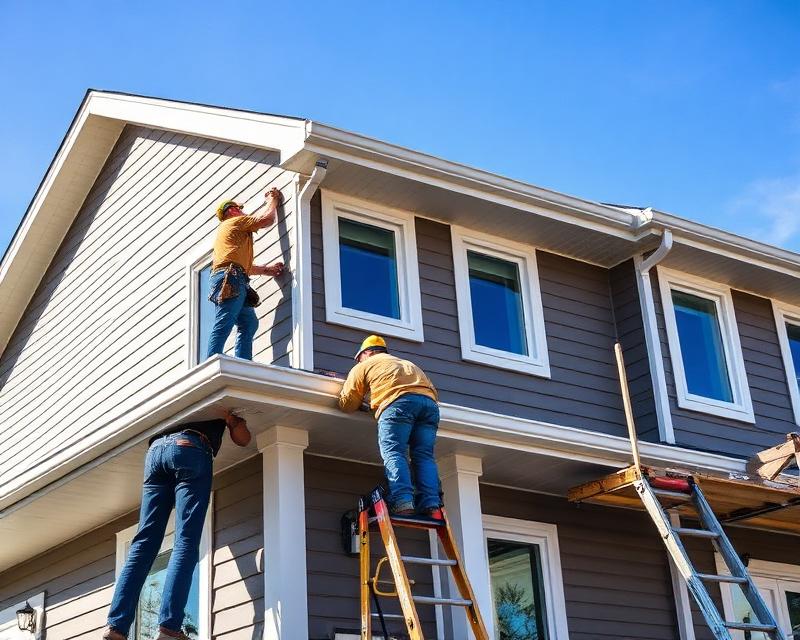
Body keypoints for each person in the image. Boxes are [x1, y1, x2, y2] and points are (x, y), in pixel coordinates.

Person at [102, 412, 252, 640]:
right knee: (186, 541)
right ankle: (169, 627)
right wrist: (232, 420)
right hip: (190, 446)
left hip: (155, 451)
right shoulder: (216, 396)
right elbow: (244, 439)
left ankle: (116, 627)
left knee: (144, 543)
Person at [337, 335, 442, 516]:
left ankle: (403, 501)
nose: (358, 361)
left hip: (398, 404)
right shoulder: (408, 364)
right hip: (430, 406)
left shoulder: (364, 365)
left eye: (359, 357)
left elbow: (348, 404)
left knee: (394, 452)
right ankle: (432, 504)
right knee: (424, 456)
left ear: (367, 353)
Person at [206, 187, 285, 360]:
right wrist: (272, 201)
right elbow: (266, 219)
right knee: (225, 320)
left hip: (235, 276)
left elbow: (241, 264)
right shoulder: (234, 222)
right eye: (240, 209)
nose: (243, 212)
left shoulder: (232, 234)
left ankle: (243, 362)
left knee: (248, 323)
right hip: (231, 277)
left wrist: (266, 270)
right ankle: (211, 361)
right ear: (232, 210)